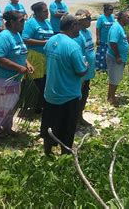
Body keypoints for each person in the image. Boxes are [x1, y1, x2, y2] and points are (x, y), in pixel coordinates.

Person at [40, 14, 87, 155]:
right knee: (67, 130)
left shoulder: (50, 41)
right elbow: (80, 71)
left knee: (49, 125)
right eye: (78, 24)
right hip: (68, 95)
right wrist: (86, 65)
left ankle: (47, 152)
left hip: (50, 93)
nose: (80, 28)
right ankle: (65, 156)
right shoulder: (73, 46)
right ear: (73, 26)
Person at [0, 11, 33, 138]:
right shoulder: (4, 36)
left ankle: (7, 127)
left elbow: (20, 52)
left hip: (15, 77)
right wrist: (18, 67)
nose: (24, 23)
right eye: (21, 21)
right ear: (11, 22)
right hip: (3, 77)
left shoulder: (17, 35)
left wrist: (27, 63)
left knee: (11, 104)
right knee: (1, 105)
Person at [22, 2, 54, 112]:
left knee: (44, 81)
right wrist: (43, 42)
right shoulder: (31, 23)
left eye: (47, 11)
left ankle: (39, 105)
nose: (47, 13)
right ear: (37, 12)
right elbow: (25, 39)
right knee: (34, 82)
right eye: (45, 11)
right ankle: (28, 106)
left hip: (46, 57)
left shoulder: (48, 23)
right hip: (34, 56)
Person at [75, 9, 96, 127]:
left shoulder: (87, 32)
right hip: (82, 73)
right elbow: (78, 56)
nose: (90, 21)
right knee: (79, 96)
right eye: (88, 19)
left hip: (88, 72)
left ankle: (80, 116)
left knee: (85, 95)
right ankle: (75, 119)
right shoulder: (77, 35)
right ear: (80, 20)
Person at [106, 10, 129, 105]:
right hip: (114, 57)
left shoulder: (120, 27)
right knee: (114, 78)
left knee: (116, 77)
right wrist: (117, 56)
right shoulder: (116, 27)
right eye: (127, 17)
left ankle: (112, 95)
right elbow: (113, 42)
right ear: (121, 18)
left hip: (119, 57)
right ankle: (110, 98)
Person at [95, 4, 115, 71]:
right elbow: (98, 28)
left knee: (109, 54)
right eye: (110, 9)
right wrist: (98, 38)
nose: (112, 11)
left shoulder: (112, 17)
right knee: (102, 54)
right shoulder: (101, 17)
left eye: (112, 9)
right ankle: (100, 68)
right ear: (106, 10)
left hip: (111, 40)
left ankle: (108, 67)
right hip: (103, 40)